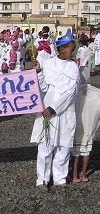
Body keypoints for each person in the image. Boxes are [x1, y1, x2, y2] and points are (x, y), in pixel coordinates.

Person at [30, 29, 79, 189]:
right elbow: (43, 87)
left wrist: (54, 108)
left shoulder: (73, 68)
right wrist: (38, 72)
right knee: (45, 147)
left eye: (72, 49)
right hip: (47, 111)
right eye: (69, 49)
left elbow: (70, 93)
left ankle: (60, 179)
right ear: (61, 49)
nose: (71, 53)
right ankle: (42, 179)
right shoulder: (49, 64)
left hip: (65, 113)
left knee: (63, 147)